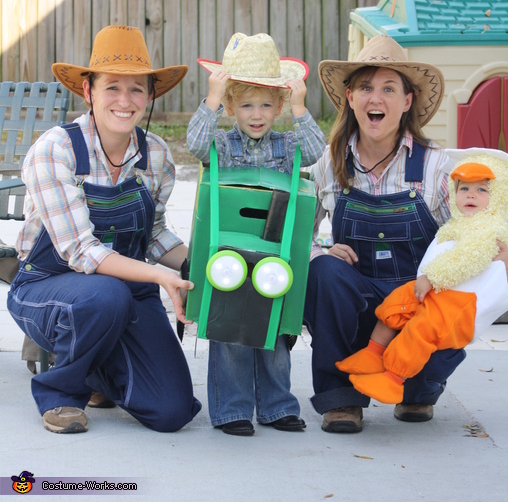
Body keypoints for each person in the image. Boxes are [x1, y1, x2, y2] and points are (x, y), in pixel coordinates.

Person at [7, 25, 202, 434]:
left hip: (125, 292)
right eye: (112, 87)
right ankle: (59, 392)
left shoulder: (157, 156)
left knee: (171, 411)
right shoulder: (56, 149)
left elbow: (154, 235)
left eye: (136, 89)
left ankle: (99, 370)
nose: (125, 101)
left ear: (151, 96)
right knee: (104, 294)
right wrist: (158, 275)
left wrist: (199, 267)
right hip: (49, 287)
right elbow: (82, 253)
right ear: (88, 90)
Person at [304, 34, 465, 434]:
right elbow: (296, 235)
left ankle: (419, 385)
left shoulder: (437, 168)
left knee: (452, 300)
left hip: (415, 312)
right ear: (351, 98)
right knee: (323, 274)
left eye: (389, 89)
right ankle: (341, 399)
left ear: (407, 101)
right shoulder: (329, 164)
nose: (376, 99)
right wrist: (317, 252)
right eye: (366, 88)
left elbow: (469, 236)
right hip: (357, 310)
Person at [187, 32, 326, 436]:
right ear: (231, 105)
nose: (256, 114)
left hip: (275, 247)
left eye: (267, 104)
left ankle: (277, 405)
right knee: (229, 325)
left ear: (279, 105)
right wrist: (211, 99)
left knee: (276, 329)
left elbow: (316, 151)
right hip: (229, 245)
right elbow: (195, 144)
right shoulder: (221, 144)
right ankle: (232, 409)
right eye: (246, 104)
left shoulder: (287, 144)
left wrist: (301, 108)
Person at [337, 148, 508, 404]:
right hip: (439, 291)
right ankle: (373, 352)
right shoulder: (459, 221)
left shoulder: (490, 228)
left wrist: (432, 276)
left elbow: (467, 257)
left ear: (499, 197)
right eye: (464, 189)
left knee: (419, 330)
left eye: (482, 190)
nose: (471, 194)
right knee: (396, 304)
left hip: (461, 303)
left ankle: (393, 379)